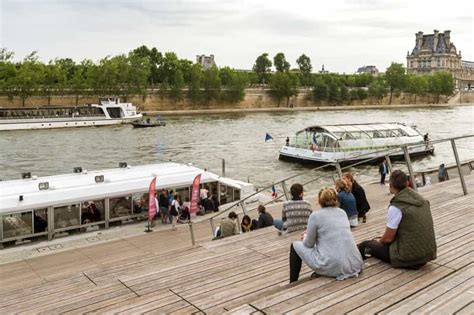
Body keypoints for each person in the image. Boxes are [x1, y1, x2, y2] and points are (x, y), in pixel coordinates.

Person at [357, 170, 437, 269]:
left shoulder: (396, 207)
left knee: (366, 246)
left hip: (409, 259)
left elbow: (388, 238)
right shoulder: (422, 200)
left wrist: (379, 242)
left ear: (391, 185)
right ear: (407, 183)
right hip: (427, 254)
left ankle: (359, 265)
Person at [289, 187, 363, 283]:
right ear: (335, 199)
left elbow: (308, 244)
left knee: (294, 246)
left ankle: (293, 282)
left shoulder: (315, 216)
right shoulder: (342, 213)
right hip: (354, 263)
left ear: (320, 201)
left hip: (335, 265)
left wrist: (306, 236)